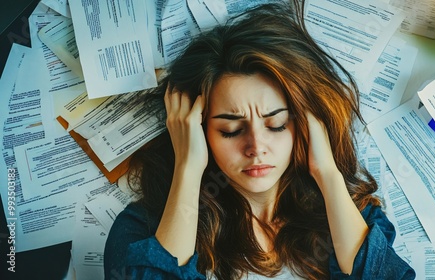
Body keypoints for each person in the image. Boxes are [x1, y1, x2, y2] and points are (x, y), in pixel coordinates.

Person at [104, 2, 416, 279]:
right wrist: (187, 167)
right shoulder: (142, 231)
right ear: (196, 131)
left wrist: (328, 174)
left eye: (277, 124)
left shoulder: (355, 217)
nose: (256, 147)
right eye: (231, 130)